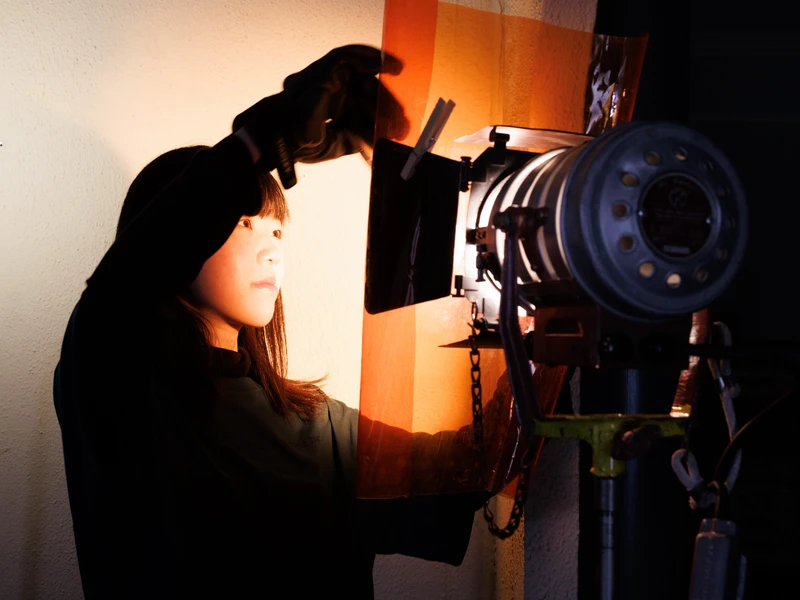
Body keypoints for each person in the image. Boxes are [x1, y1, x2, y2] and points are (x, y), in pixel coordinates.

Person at [53, 45, 497, 599]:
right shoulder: (114, 386)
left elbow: (468, 464)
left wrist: (550, 320)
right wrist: (262, 138)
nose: (272, 248)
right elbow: (132, 275)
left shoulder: (322, 430)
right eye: (246, 223)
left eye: (278, 229)